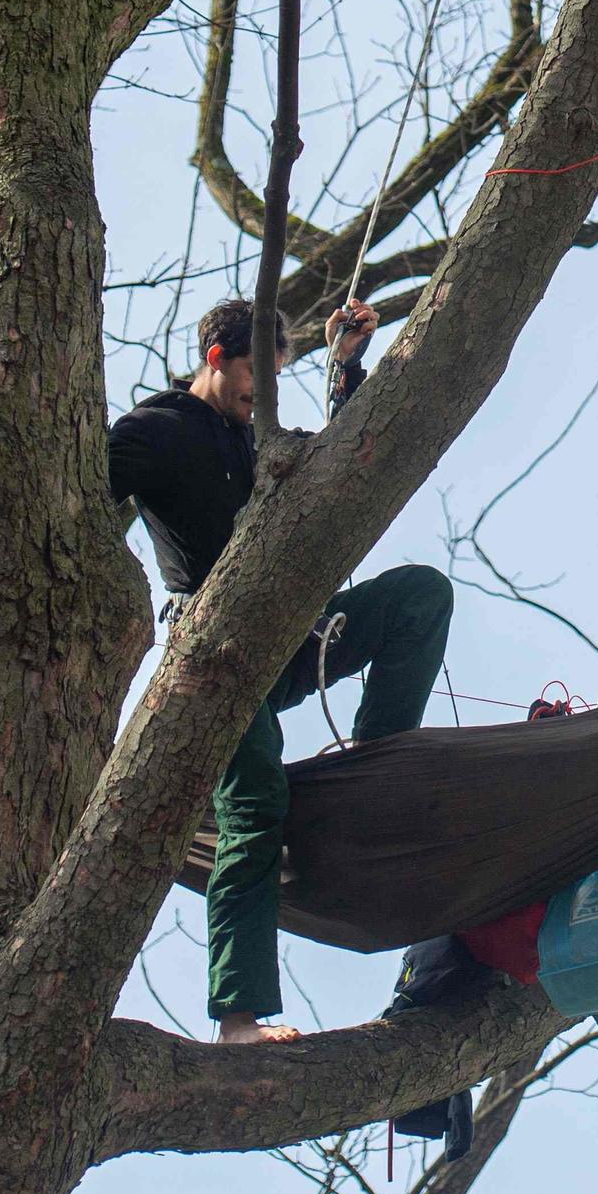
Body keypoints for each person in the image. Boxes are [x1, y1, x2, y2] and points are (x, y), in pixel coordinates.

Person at [109, 296, 455, 1045]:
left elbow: (344, 456)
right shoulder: (152, 433)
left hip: (297, 633)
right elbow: (76, 495)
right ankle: (239, 1018)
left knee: (420, 595)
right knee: (255, 806)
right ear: (216, 358)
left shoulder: (261, 442)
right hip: (219, 652)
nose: (261, 399)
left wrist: (347, 366)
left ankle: (372, 767)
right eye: (254, 381)